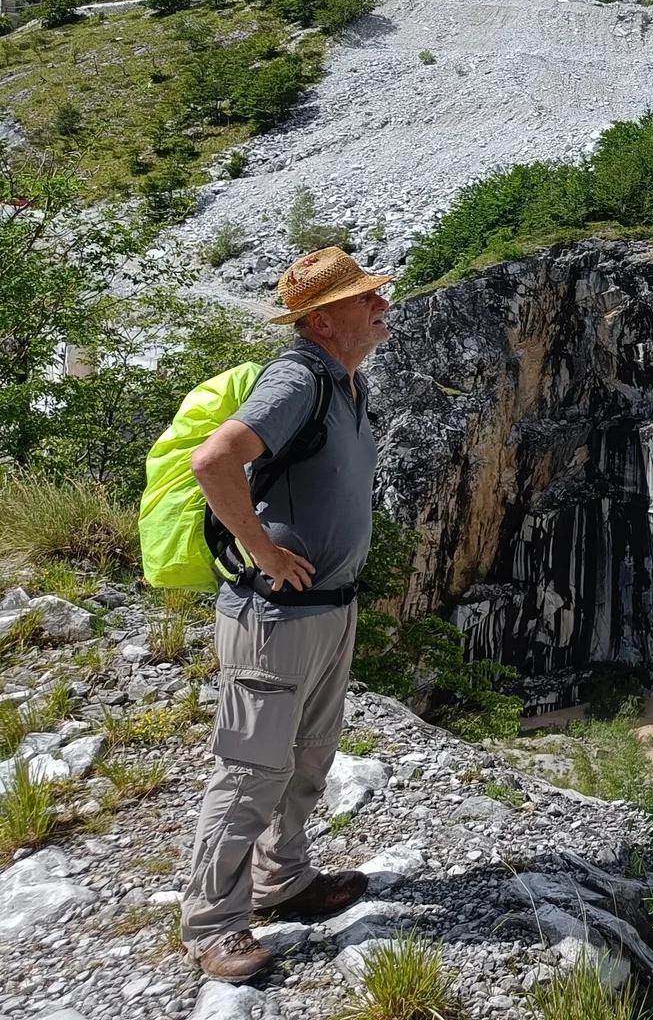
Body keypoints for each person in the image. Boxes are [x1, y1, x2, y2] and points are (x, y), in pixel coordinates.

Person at [179, 247, 393, 982]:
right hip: (274, 615)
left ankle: (286, 880)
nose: (381, 306)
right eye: (366, 299)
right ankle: (214, 924)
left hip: (328, 610)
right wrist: (262, 549)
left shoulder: (347, 383)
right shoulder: (298, 377)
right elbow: (215, 460)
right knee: (250, 772)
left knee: (309, 756)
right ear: (323, 319)